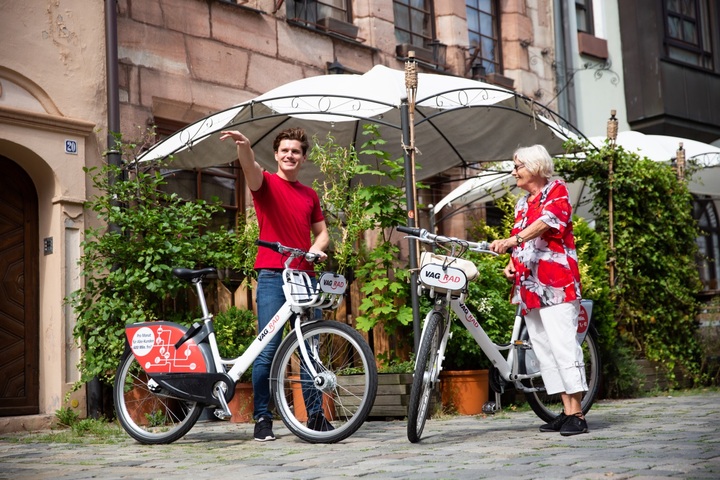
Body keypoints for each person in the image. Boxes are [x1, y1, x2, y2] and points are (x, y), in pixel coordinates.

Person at [219, 127, 332, 442]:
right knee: (267, 349)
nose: (290, 155)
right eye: (285, 150)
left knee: (310, 349)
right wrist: (244, 146)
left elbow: (323, 233)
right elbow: (250, 168)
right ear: (277, 154)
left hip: (304, 276)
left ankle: (316, 418)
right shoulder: (265, 183)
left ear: (303, 157)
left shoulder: (310, 195)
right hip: (271, 275)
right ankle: (262, 419)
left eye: (296, 151)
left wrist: (317, 247)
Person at [488, 144, 588, 436]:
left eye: (517, 165)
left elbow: (547, 223)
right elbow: (523, 241)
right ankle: (565, 410)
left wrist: (512, 241)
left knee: (563, 346)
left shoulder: (557, 190)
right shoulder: (523, 202)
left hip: (556, 284)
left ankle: (578, 415)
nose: (514, 171)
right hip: (530, 287)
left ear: (534, 167)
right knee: (544, 350)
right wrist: (511, 261)